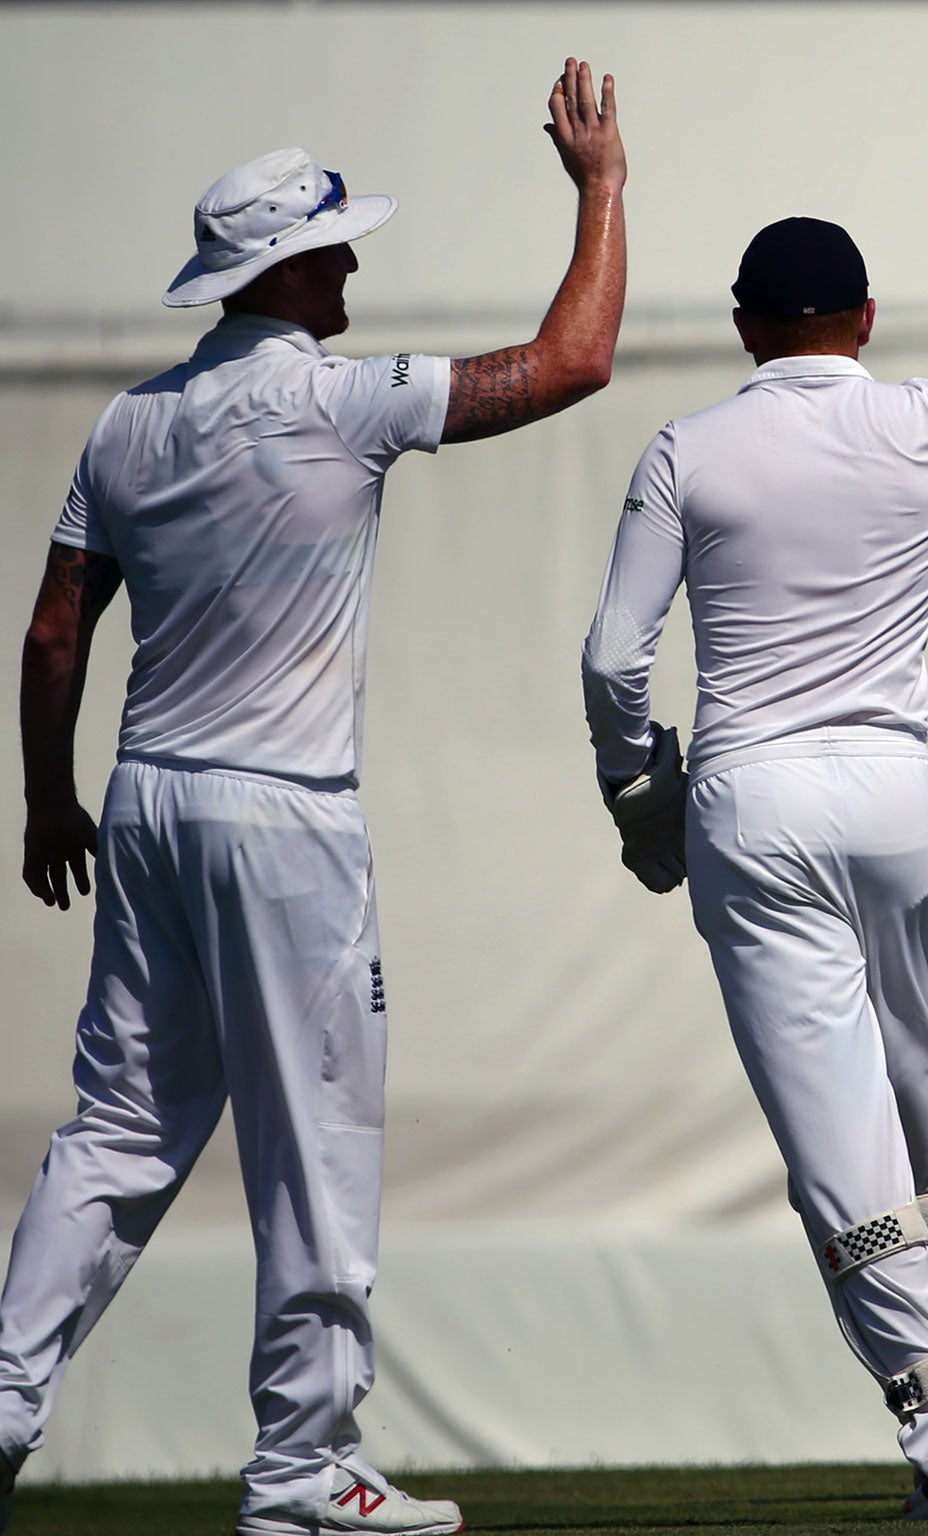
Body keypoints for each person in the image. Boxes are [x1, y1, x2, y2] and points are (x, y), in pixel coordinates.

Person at [3, 60, 626, 1536]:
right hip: (285, 816)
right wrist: (601, 189)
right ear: (289, 265)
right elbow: (573, 363)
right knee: (320, 1130)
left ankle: (6, 1399)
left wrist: (46, 800)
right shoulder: (343, 399)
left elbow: (50, 631)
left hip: (148, 800)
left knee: (117, 1132)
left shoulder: (128, 426)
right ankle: (301, 1469)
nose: (355, 260)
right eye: (338, 244)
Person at [578, 92, 928, 1521]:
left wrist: (642, 793)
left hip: (754, 803)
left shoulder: (689, 449)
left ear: (746, 323)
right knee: (914, 1086)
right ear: (868, 317)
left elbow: (611, 658)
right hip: (896, 801)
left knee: (839, 1139)